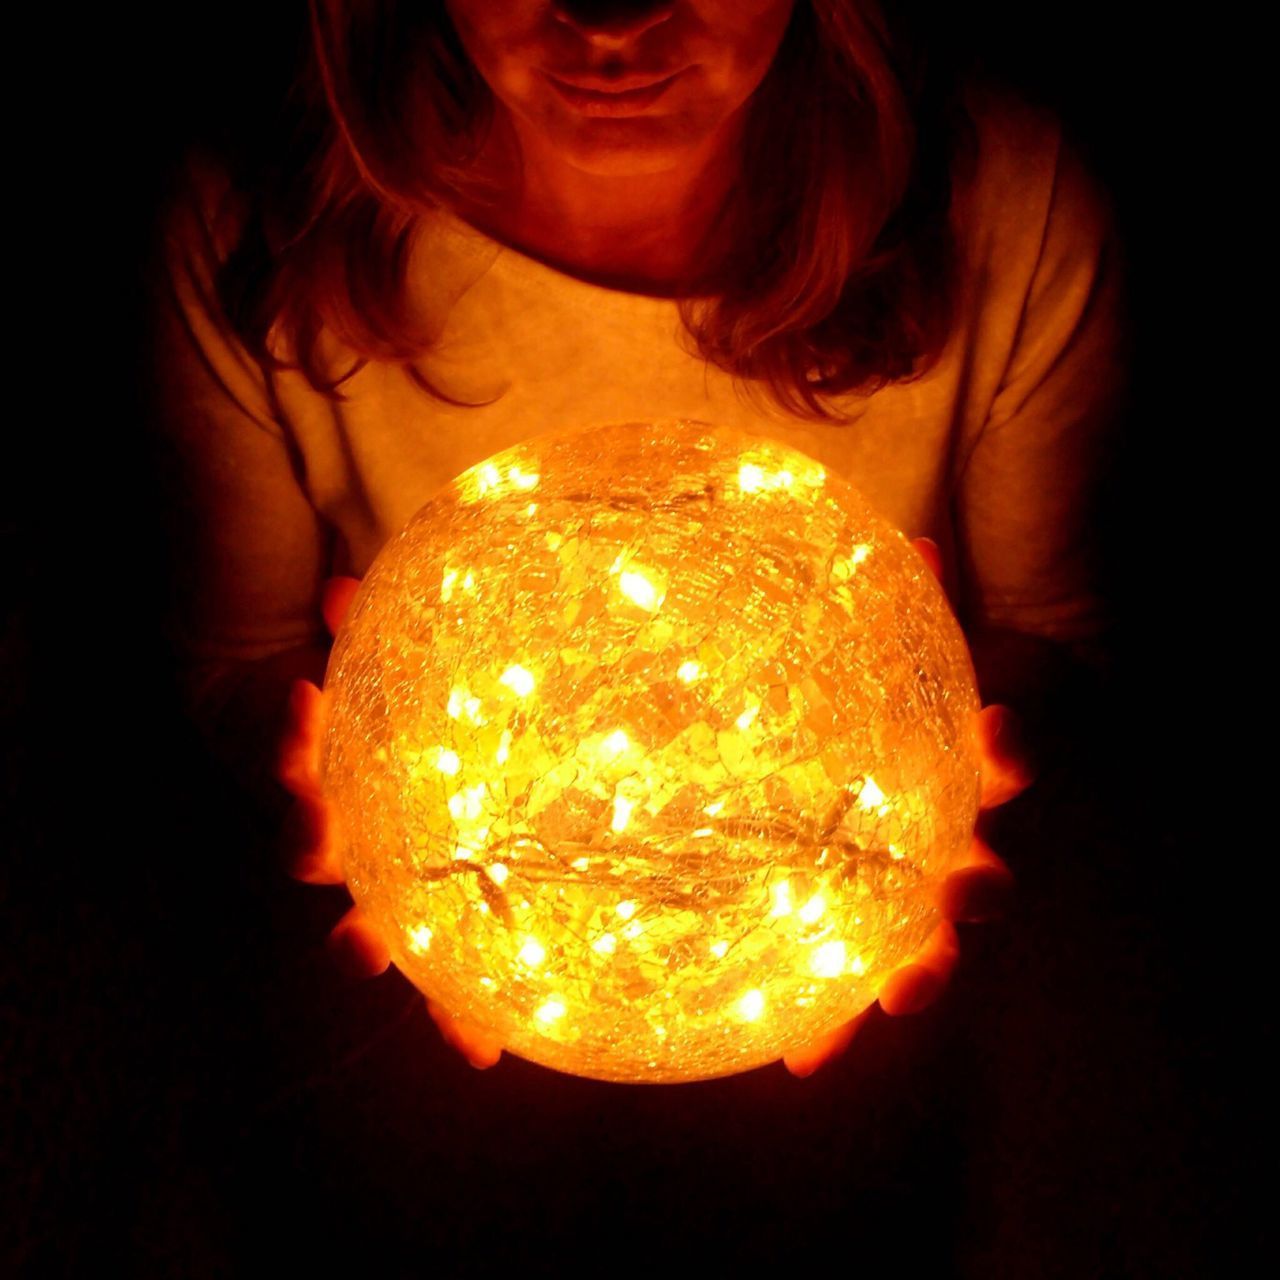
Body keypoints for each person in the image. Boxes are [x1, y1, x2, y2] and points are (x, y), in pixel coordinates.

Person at [149, 0, 1121, 1076]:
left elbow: (1053, 635)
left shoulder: (1007, 204)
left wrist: (960, 757)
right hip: (403, 1025)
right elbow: (234, 664)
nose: (608, 17)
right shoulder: (252, 229)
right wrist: (321, 769)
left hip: (864, 1015)